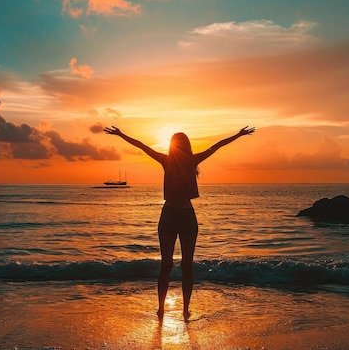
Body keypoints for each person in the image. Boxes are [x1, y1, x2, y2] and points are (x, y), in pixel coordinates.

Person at [104, 125, 255, 320]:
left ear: (172, 146)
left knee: (166, 265)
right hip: (186, 216)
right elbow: (218, 145)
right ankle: (184, 310)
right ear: (187, 146)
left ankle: (161, 309)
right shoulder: (193, 160)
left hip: (169, 215)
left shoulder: (166, 161)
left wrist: (120, 134)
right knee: (186, 266)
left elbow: (141, 145)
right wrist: (239, 134)